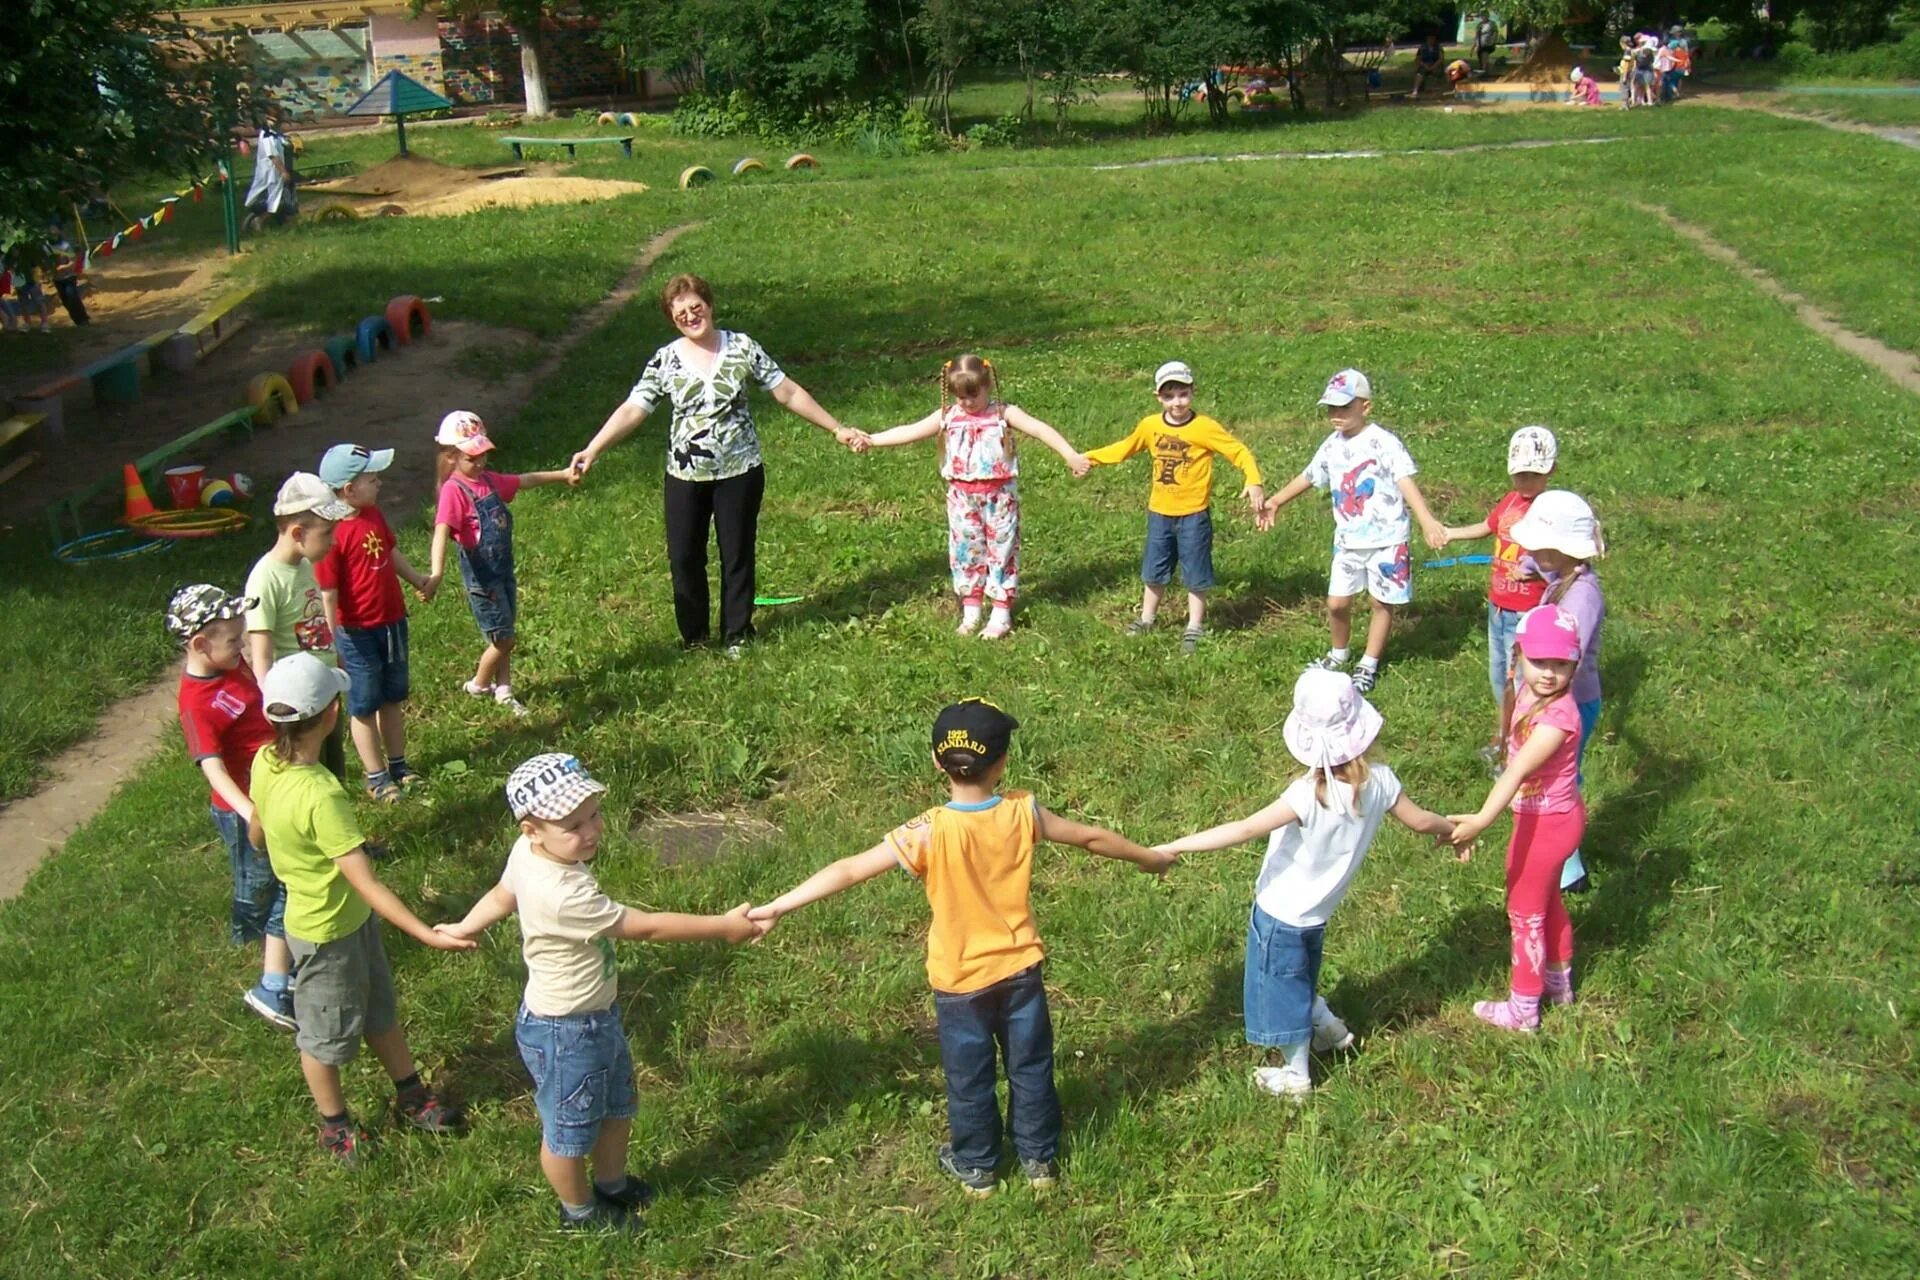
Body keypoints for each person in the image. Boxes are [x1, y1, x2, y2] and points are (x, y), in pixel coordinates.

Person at [747, 699, 1174, 1196]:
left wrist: (778, 905)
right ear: (1003, 763)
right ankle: (1039, 1162)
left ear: (935, 762)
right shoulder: (1023, 811)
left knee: (968, 1078)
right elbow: (1093, 838)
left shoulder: (928, 830)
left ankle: (977, 1168)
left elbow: (847, 869)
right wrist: (1150, 859)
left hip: (958, 982)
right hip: (1020, 971)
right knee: (1030, 1066)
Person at [434, 753, 761, 1231]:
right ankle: (579, 1211)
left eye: (593, 815)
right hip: (564, 1031)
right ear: (532, 829)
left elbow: (502, 894)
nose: (590, 831)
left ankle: (612, 1183)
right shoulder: (562, 892)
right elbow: (646, 928)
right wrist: (723, 927)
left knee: (617, 1105)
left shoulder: (532, 854)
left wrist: (465, 925)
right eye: (573, 825)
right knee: (567, 1134)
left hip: (596, 1015)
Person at [1152, 669, 1454, 1097]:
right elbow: (1422, 821)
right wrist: (1453, 828)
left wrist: (1176, 845)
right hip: (1317, 915)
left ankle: (1297, 1075)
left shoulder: (1306, 794)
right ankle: (1330, 1028)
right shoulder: (1382, 783)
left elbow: (1242, 829)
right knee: (1300, 976)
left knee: (1282, 992)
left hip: (1278, 915)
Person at [249, 654, 474, 1162]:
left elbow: (256, 829)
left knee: (379, 1010)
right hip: (326, 933)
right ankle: (334, 1125)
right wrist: (426, 933)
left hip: (347, 923)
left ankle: (412, 1094)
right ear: (331, 714)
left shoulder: (266, 760)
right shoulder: (321, 793)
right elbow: (366, 882)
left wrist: (272, 845)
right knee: (321, 1038)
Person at [571, 273, 866, 658]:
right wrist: (593, 449)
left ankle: (737, 633)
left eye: (697, 307)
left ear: (710, 306)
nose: (692, 316)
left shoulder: (742, 347)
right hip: (685, 475)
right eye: (681, 313)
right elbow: (634, 408)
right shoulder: (666, 360)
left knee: (737, 552)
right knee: (684, 557)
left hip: (740, 470)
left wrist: (837, 428)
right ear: (672, 319)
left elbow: (787, 391)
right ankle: (694, 638)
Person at [859, 354, 1090, 639]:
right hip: (961, 499)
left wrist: (1069, 454)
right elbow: (910, 431)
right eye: (960, 397)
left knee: (1002, 550)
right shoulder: (948, 416)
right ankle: (971, 612)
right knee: (965, 552)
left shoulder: (1002, 414)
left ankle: (1001, 613)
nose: (967, 403)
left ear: (987, 385)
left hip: (999, 497)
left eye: (973, 395)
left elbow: (1039, 429)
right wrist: (872, 440)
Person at [1446, 605, 1587, 1032]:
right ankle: (1558, 982)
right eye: (1539, 661)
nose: (1548, 673)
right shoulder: (1532, 692)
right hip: (1550, 818)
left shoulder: (1558, 718)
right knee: (1547, 899)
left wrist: (1480, 820)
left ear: (1574, 664)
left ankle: (1523, 1009)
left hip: (1548, 825)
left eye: (1560, 665)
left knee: (1524, 911)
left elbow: (1518, 769)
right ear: (1519, 655)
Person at [1262, 369, 1447, 693]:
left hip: (1388, 540)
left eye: (1344, 408)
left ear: (1365, 407)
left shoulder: (1383, 442)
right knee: (1336, 603)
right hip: (1348, 541)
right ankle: (1339, 653)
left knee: (1381, 603)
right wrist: (1277, 500)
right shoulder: (1331, 445)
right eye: (1331, 408)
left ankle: (1368, 663)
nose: (1336, 415)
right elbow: (1309, 476)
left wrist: (1427, 520)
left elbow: (1405, 481)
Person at [167, 583, 295, 1031]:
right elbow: (213, 768)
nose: (241, 647)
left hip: (270, 795)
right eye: (232, 640)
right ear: (200, 644)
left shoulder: (230, 665)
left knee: (283, 881)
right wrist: (249, 812)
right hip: (244, 810)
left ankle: (275, 956)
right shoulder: (196, 702)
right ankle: (268, 973)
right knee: (264, 884)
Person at [1084, 360, 1266, 654]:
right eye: (1169, 396)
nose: (1177, 402)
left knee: (1196, 572)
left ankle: (1194, 626)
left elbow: (1238, 450)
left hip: (1194, 514)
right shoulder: (1150, 426)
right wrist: (1089, 458)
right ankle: (1147, 619)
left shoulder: (1204, 427)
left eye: (1182, 394)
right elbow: (1123, 448)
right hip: (1160, 513)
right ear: (1159, 397)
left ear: (1192, 391)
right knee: (1153, 570)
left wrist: (1253, 480)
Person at [429, 411, 578, 717]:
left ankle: (504, 689)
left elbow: (523, 481)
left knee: (505, 631)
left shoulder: (487, 481)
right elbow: (442, 531)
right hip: (482, 577)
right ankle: (480, 685)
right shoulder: (453, 491)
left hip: (503, 571)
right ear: (451, 457)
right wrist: (437, 572)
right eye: (472, 457)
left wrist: (561, 475)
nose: (480, 462)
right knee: (503, 639)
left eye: (483, 454)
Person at [315, 443, 437, 802]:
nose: (380, 483)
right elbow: (327, 593)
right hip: (356, 633)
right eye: (372, 478)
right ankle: (376, 776)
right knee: (365, 704)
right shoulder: (331, 534)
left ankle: (399, 764)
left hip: (392, 623)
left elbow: (389, 551)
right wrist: (332, 640)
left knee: (393, 697)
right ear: (349, 490)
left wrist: (417, 579)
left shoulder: (373, 515)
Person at [1436, 426, 1557, 771]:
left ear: (1550, 471)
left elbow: (1561, 562)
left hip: (1528, 611)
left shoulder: (1550, 509)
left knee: (1522, 681)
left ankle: (1519, 748)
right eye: (1520, 474)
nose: (1526, 481)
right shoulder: (1511, 499)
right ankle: (1502, 733)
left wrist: (1535, 572)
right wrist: (1451, 533)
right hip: (1499, 605)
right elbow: (1489, 526)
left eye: (1534, 474)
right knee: (1498, 675)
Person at [1507, 490, 1605, 895]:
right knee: (1547, 776)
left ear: (1561, 549)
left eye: (1540, 548)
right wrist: (1532, 565)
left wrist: (1538, 697)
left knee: (1558, 781)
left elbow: (1569, 654)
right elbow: (1545, 568)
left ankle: (1567, 869)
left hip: (1567, 705)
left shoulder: (1582, 596)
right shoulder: (1565, 575)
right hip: (1548, 701)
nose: (1532, 553)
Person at [247, 473, 353, 783]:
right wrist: (274, 709)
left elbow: (313, 618)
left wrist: (336, 656)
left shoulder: (304, 565)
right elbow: (261, 657)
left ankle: (335, 825)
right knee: (307, 777)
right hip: (299, 704)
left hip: (325, 686)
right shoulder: (265, 579)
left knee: (333, 772)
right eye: (327, 533)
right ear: (297, 532)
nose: (333, 541)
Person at [243, 112, 298, 230]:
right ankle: (260, 220)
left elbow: (285, 145)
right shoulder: (266, 136)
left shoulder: (276, 135)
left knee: (282, 196)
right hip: (270, 173)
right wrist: (283, 171)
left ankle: (284, 220)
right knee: (274, 198)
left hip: (276, 173)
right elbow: (273, 156)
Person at [1411, 34, 1445, 98]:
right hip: (1425, 65)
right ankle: (1415, 90)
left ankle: (1436, 90)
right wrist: (1424, 65)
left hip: (1435, 65)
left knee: (1438, 72)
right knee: (1419, 74)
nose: (1431, 40)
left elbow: (1441, 59)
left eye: (1433, 38)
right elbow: (1417, 59)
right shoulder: (1422, 48)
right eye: (1430, 38)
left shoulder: (1438, 47)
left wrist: (1433, 66)